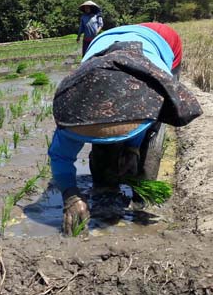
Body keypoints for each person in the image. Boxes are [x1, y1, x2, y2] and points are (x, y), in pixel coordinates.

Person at [49, 23, 202, 235]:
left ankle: (141, 197)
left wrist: (133, 149)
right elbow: (60, 156)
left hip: (162, 40)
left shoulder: (147, 95)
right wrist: (71, 195)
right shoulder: (74, 112)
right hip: (102, 46)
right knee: (105, 151)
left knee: (150, 141)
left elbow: (142, 120)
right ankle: (105, 186)